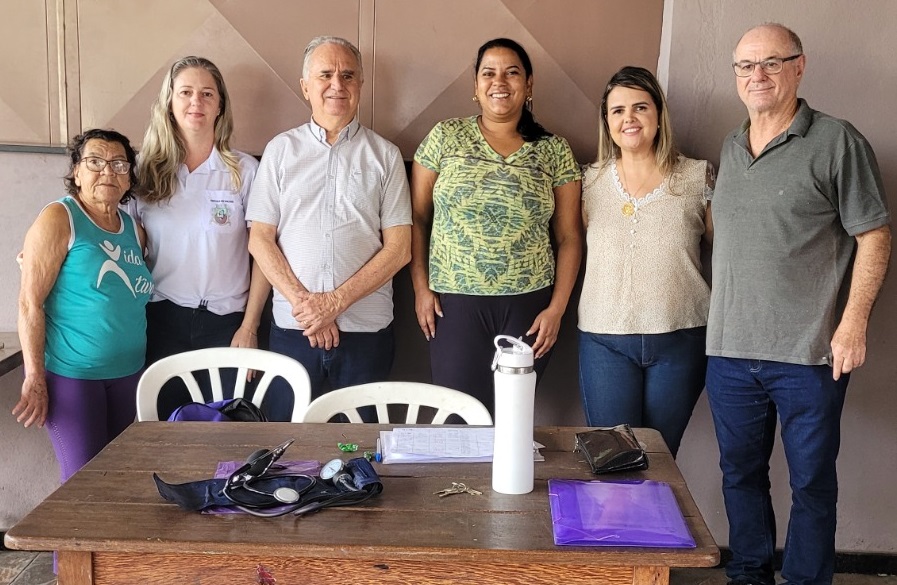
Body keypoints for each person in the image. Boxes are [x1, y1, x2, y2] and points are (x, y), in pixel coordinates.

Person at [707, 24, 890, 585]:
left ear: (799, 67)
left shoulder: (838, 141)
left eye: (772, 62)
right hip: (729, 352)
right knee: (739, 475)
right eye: (745, 65)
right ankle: (749, 575)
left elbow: (874, 235)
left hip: (809, 354)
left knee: (811, 482)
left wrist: (853, 323)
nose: (757, 75)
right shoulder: (731, 146)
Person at [410, 38, 582, 415]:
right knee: (459, 416)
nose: (499, 81)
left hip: (530, 304)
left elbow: (570, 237)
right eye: (488, 73)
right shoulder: (445, 137)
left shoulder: (554, 150)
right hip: (453, 304)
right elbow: (418, 219)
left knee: (512, 418)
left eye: (512, 72)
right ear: (475, 86)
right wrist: (420, 288)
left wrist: (557, 309)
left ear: (529, 84)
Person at [247, 36, 412, 420]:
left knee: (358, 447)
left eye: (348, 75)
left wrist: (334, 303)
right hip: (294, 331)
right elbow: (260, 239)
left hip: (365, 334)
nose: (337, 84)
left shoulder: (385, 156)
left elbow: (399, 249)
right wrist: (309, 308)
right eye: (325, 75)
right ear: (305, 86)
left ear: (360, 86)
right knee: (287, 442)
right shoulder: (280, 151)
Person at [577, 66, 714, 458]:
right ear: (607, 121)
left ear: (658, 114)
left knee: (660, 459)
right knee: (614, 459)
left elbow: (724, 250)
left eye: (640, 107)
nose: (629, 118)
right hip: (605, 340)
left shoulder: (697, 176)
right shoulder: (588, 181)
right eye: (618, 110)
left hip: (681, 338)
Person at [132, 56, 268, 418]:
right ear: (169, 102)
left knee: (226, 431)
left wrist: (250, 327)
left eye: (207, 94)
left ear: (220, 105)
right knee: (163, 430)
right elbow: (112, 233)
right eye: (186, 92)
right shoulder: (144, 172)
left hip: (228, 325)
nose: (197, 102)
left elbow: (264, 254)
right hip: (162, 320)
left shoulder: (244, 171)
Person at [14, 128, 153, 483]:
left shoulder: (133, 229)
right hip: (73, 375)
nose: (107, 171)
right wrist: (34, 375)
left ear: (128, 178)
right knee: (82, 484)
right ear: (76, 171)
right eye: (95, 161)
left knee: (113, 478)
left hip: (128, 373)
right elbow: (30, 303)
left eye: (119, 164)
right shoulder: (59, 218)